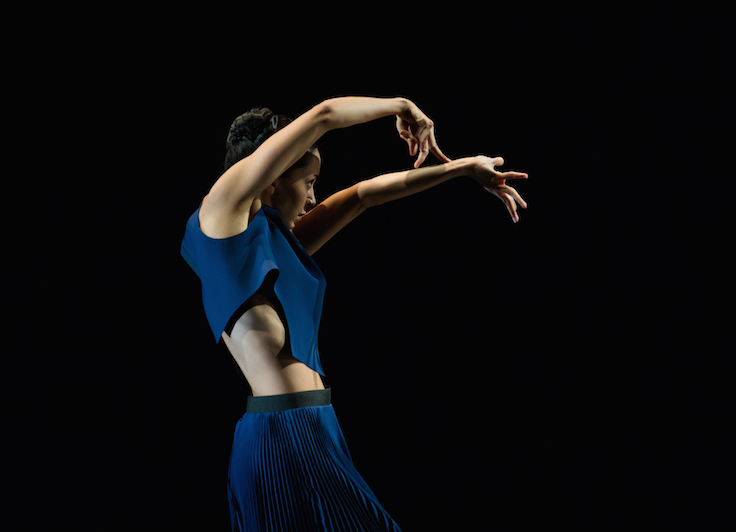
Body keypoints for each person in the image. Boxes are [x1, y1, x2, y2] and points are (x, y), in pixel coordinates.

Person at [180, 97, 528, 530]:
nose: (312, 197)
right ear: (271, 179)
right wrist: (401, 106)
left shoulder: (271, 243)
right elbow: (324, 115)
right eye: (308, 181)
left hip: (315, 423)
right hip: (283, 436)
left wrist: (462, 168)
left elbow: (362, 196)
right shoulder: (220, 216)